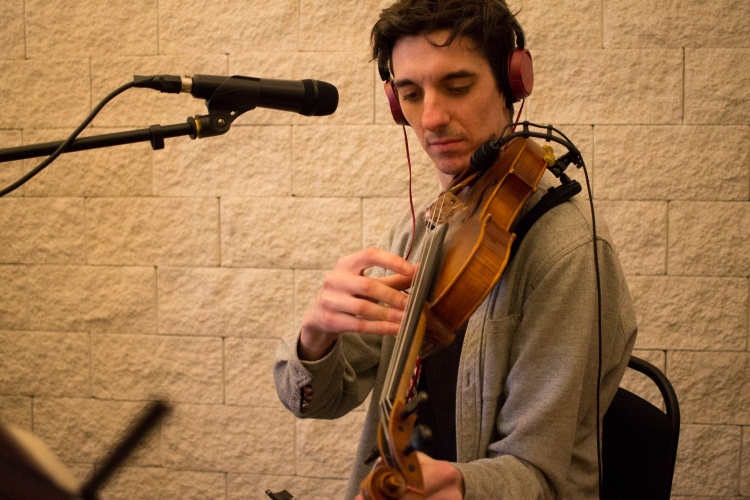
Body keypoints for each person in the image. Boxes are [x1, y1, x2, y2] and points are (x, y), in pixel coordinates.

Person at [274, 0, 637, 498]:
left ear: (512, 83)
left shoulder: (568, 250)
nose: (432, 117)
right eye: (411, 94)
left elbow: (539, 476)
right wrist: (316, 335)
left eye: (458, 86)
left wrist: (460, 484)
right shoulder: (425, 225)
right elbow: (316, 399)